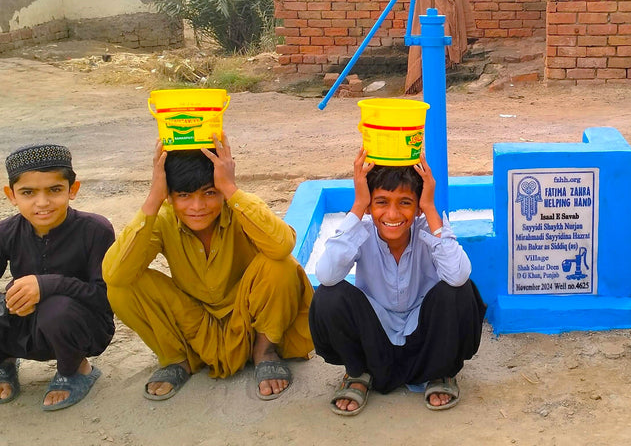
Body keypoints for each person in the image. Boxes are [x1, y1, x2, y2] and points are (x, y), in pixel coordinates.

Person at [102, 134, 313, 401]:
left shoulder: (240, 206)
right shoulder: (164, 217)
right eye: (184, 195)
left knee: (281, 266)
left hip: (249, 318)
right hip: (195, 323)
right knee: (122, 287)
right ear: (170, 196)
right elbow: (114, 274)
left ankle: (265, 351)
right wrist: (153, 200)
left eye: (210, 193)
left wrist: (231, 189)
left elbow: (283, 246)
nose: (198, 207)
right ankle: (178, 359)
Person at [309, 149, 485, 415]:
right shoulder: (361, 229)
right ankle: (358, 374)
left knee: (459, 291)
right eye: (381, 202)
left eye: (405, 202)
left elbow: (459, 275)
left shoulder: (430, 226)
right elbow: (327, 274)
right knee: (328, 295)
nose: (392, 214)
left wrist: (429, 208)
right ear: (370, 205)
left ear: (417, 207)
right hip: (375, 339)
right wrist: (358, 207)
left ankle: (440, 373)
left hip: (426, 339)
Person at [0, 144, 114, 410]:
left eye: (54, 190)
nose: (42, 203)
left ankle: (77, 370)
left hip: (80, 326)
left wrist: (47, 285)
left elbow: (105, 298)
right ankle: (4, 362)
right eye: (28, 192)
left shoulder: (96, 230)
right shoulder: (6, 232)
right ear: (11, 195)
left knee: (56, 309)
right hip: (27, 322)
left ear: (72, 190)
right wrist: (14, 297)